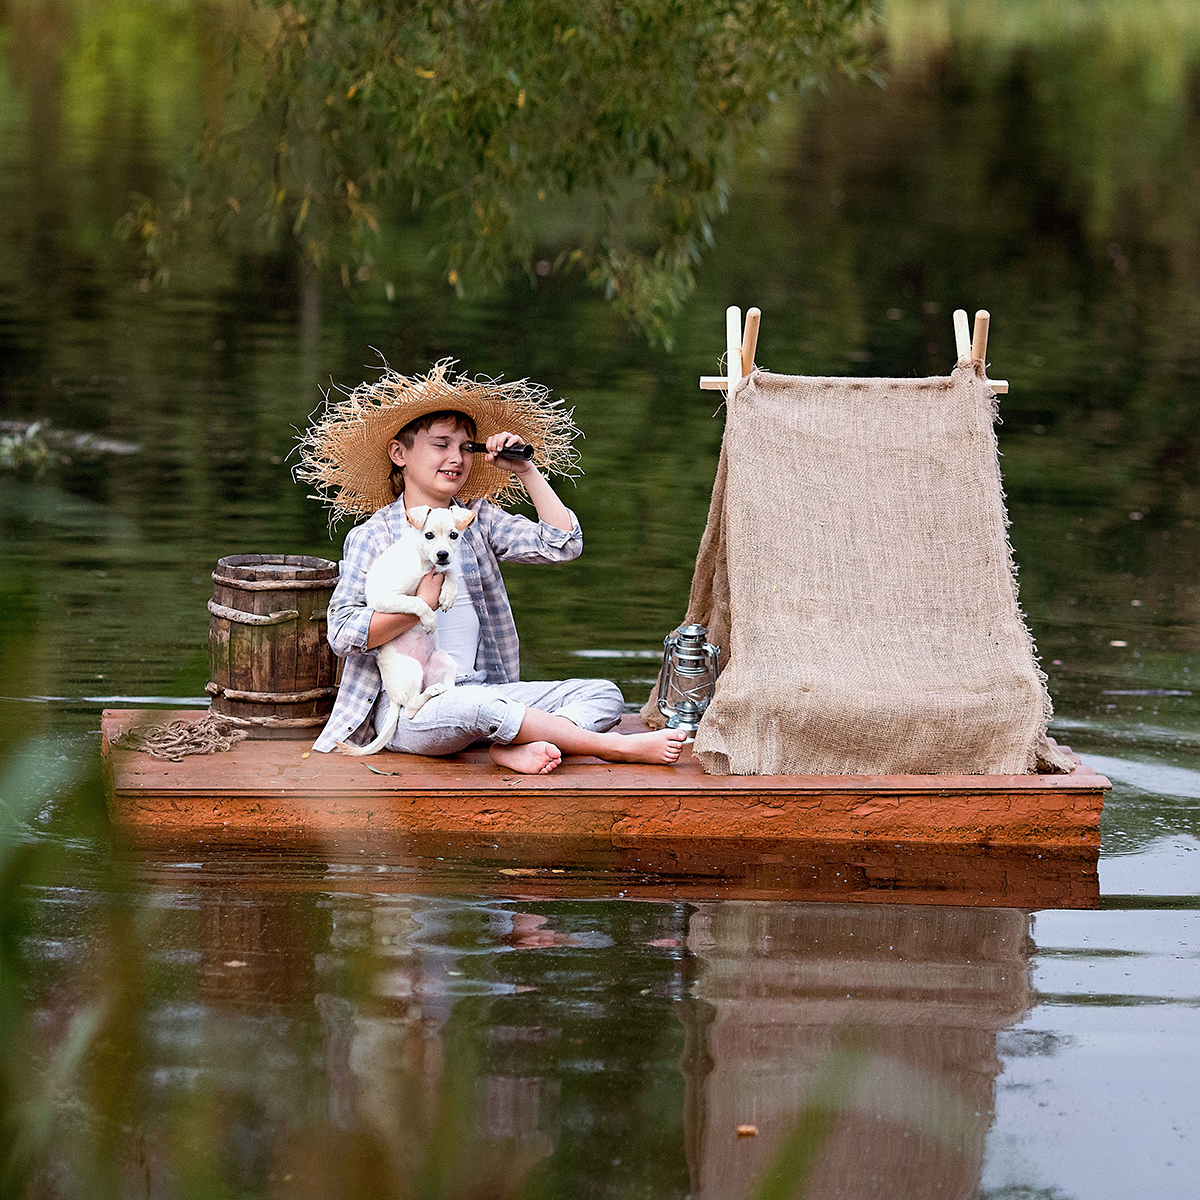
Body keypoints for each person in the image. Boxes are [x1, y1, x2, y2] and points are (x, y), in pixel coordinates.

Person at [295, 361, 687, 774]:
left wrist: (525, 469)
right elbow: (341, 632)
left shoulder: (477, 521)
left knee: (602, 693)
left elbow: (563, 544)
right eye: (441, 444)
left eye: (466, 447)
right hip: (412, 712)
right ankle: (611, 748)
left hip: (484, 691)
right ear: (399, 453)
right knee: (480, 707)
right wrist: (418, 604)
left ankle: (514, 742)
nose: (457, 458)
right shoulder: (373, 536)